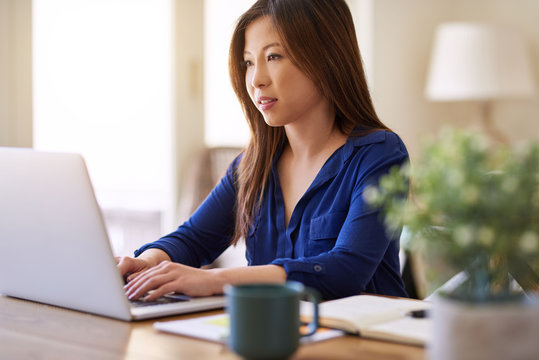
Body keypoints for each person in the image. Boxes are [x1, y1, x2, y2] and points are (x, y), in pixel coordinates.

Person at [118, 0, 409, 301]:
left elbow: (346, 271)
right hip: (272, 340)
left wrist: (214, 280)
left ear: (326, 58)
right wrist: (149, 261)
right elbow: (192, 239)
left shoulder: (380, 155)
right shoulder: (252, 165)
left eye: (273, 56)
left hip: (368, 342)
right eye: (248, 62)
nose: (256, 79)